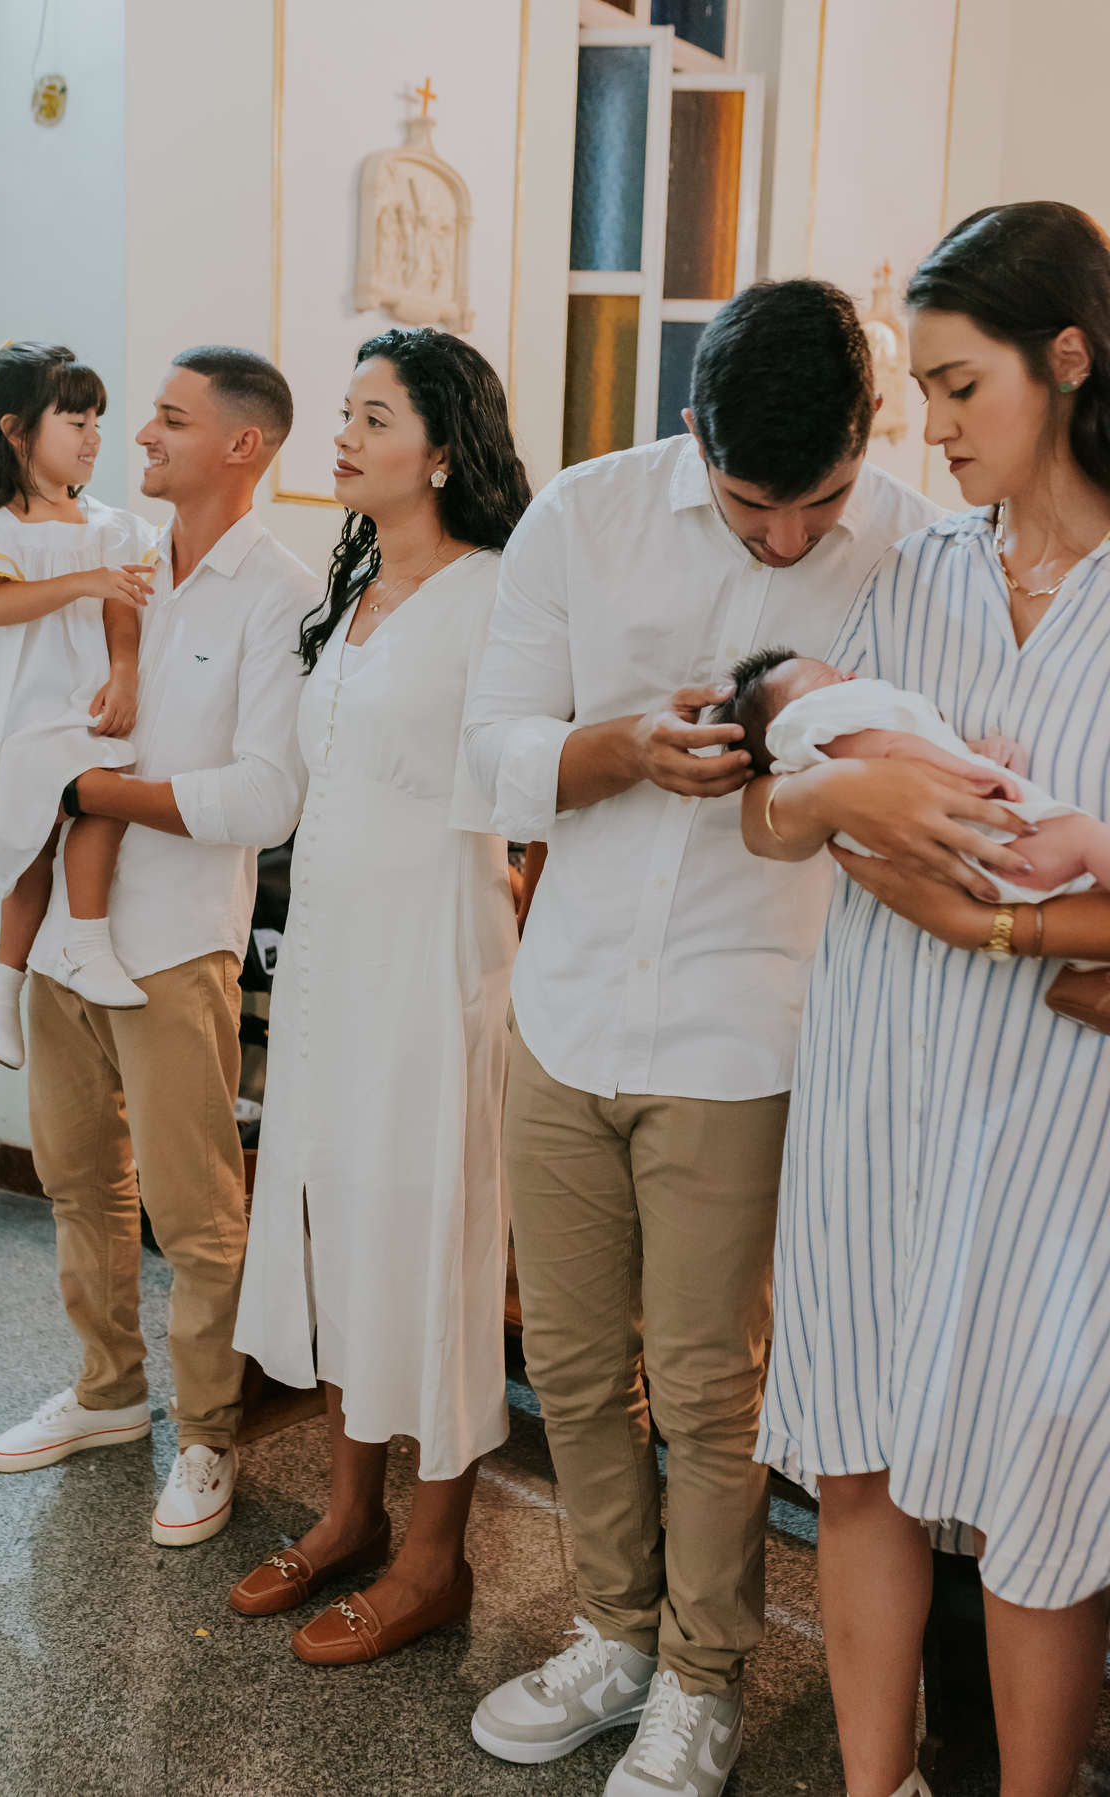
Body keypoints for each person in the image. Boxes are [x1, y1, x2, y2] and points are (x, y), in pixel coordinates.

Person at [463, 280, 942, 1797]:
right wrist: (620, 748)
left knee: (711, 1385)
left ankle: (701, 1680)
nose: (788, 541)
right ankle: (613, 1634)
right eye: (751, 506)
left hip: (754, 1023)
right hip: (569, 1001)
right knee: (575, 1362)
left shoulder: (920, 548)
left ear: (870, 435)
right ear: (692, 431)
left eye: (821, 503)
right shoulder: (586, 517)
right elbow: (488, 750)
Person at [746, 203, 1110, 1797]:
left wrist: (991, 921)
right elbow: (781, 807)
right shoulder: (915, 574)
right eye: (924, 391)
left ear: (1069, 359)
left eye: (962, 387)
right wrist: (848, 800)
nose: (934, 426)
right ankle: (872, 1781)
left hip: (1058, 1106)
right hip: (878, 1073)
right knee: (860, 1449)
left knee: (1043, 1473)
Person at [0, 346, 323, 1549]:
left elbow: (269, 795)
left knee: (197, 1214)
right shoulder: (113, 553)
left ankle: (209, 1434)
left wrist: (98, 796)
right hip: (66, 940)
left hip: (175, 944)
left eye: (171, 420)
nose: (140, 436)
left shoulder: (281, 593)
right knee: (79, 1181)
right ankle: (108, 1392)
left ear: (243, 444)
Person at [229, 327, 530, 1664]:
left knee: (437, 1238)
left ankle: (433, 1559)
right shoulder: (350, 587)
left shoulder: (498, 593)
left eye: (373, 417)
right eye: (343, 414)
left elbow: (533, 789)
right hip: (333, 962)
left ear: (444, 449)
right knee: (341, 1218)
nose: (342, 437)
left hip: (433, 959)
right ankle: (351, 1513)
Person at [0, 342, 159, 1071]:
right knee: (29, 851)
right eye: (75, 421)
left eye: (98, 422)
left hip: (86, 709)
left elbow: (124, 612)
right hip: (25, 716)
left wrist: (124, 675)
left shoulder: (114, 527)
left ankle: (80, 945)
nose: (94, 437)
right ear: (17, 430)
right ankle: (3, 984)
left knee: (104, 797)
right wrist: (85, 578)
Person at [715, 647, 1110, 898]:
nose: (847, 675)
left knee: (1085, 882)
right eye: (826, 677)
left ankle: (1084, 976)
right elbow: (897, 747)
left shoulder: (827, 750)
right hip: (993, 846)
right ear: (785, 724)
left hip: (951, 872)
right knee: (1087, 838)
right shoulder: (821, 727)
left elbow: (917, 752)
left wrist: (977, 749)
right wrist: (972, 769)